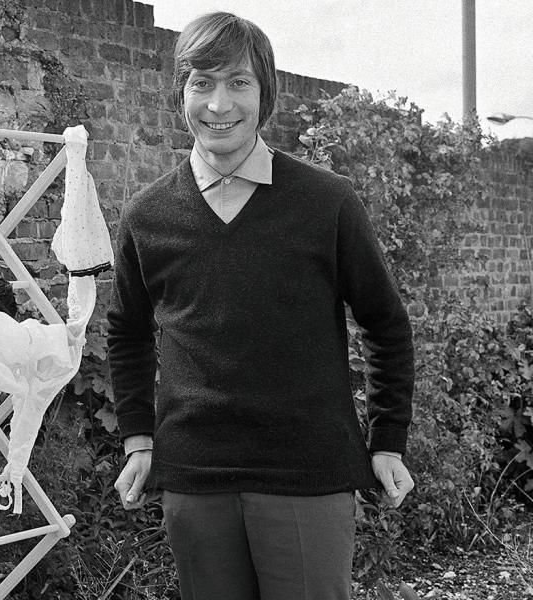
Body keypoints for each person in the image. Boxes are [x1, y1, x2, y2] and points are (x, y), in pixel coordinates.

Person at [107, 12, 415, 600]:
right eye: (202, 82)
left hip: (307, 472)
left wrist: (388, 439)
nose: (219, 104)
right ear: (181, 93)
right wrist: (138, 439)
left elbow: (386, 325)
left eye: (238, 82)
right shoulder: (146, 217)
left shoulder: (327, 203)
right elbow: (126, 333)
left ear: (265, 93)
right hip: (195, 477)